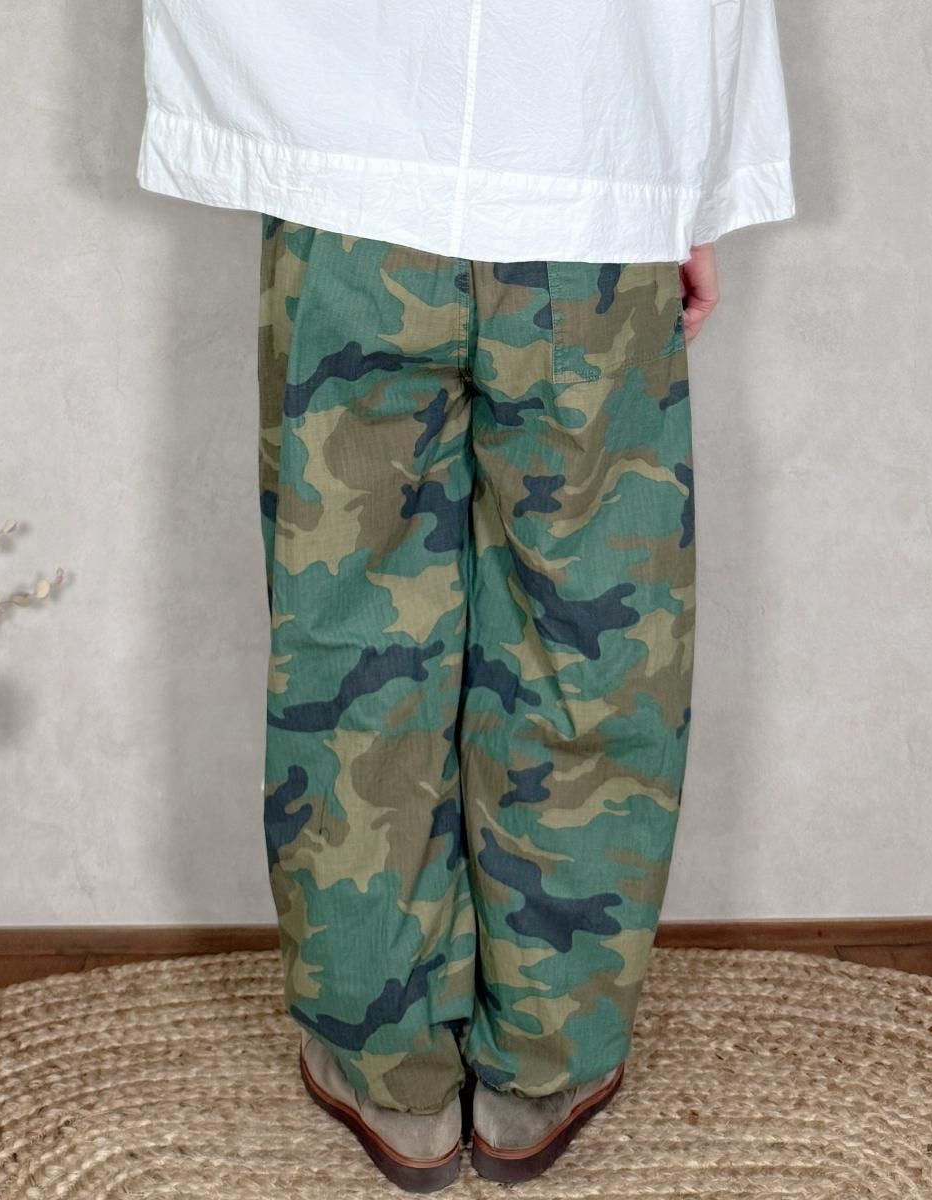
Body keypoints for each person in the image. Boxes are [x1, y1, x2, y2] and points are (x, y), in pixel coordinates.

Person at [137, 2, 795, 1191]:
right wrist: (693, 187)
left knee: (352, 641)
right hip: (591, 170)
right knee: (594, 640)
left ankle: (384, 1065)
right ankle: (548, 1058)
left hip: (345, 177)